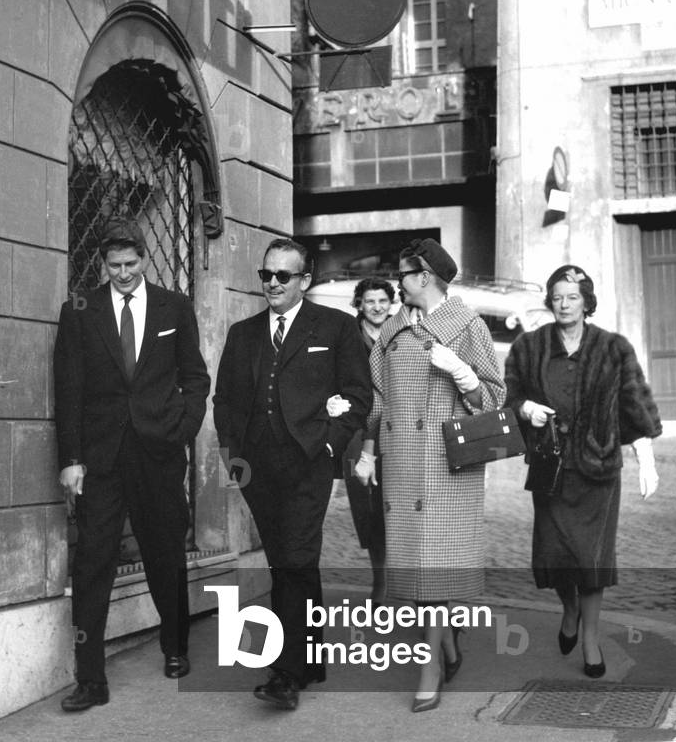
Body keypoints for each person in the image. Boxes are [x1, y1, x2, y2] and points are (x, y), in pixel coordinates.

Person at [54, 216, 210, 712]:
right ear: (103, 263)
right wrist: (71, 460)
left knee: (165, 549)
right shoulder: (80, 310)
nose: (123, 273)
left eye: (131, 263)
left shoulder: (174, 306)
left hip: (159, 452)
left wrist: (180, 431)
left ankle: (175, 645)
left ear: (144, 259)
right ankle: (90, 679)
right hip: (101, 459)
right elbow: (69, 390)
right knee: (92, 561)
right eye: (114, 265)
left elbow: (195, 378)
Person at [212, 237, 372, 711]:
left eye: (284, 276)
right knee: (286, 560)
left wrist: (327, 445)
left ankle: (285, 672)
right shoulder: (243, 334)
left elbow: (358, 398)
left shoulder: (337, 327)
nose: (273, 284)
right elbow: (224, 402)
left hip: (308, 464)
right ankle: (312, 659)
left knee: (296, 558)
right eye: (267, 275)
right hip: (256, 468)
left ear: (305, 280)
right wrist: (233, 459)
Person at [357, 239, 505, 713]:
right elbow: (378, 396)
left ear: (424, 278)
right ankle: (445, 644)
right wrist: (366, 448)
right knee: (415, 566)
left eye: (402, 275)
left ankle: (430, 666)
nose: (396, 282)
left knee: (436, 565)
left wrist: (463, 374)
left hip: (447, 463)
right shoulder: (393, 330)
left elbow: (495, 399)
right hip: (401, 461)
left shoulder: (467, 327)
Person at [504, 264, 661, 679]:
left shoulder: (613, 348)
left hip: (598, 466)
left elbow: (634, 405)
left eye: (572, 296)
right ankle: (568, 607)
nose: (564, 304)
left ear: (587, 301)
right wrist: (526, 409)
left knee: (592, 558)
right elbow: (510, 396)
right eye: (556, 296)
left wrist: (647, 459)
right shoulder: (528, 347)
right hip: (550, 467)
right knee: (556, 555)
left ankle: (590, 639)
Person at [341, 277, 395, 601]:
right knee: (367, 507)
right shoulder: (347, 334)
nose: (376, 307)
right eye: (370, 301)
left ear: (391, 304)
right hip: (357, 430)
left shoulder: (400, 333)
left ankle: (407, 582)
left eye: (383, 302)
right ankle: (379, 580)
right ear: (359, 303)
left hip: (395, 429)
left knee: (398, 503)